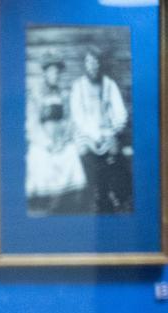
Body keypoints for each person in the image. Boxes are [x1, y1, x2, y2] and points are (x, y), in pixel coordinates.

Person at [69, 48, 131, 213]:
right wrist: (93, 135)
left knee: (114, 152)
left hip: (107, 133)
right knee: (83, 151)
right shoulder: (78, 86)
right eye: (89, 62)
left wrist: (112, 131)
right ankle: (93, 195)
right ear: (85, 64)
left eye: (96, 61)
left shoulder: (110, 85)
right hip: (86, 134)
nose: (93, 66)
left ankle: (113, 195)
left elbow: (121, 113)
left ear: (100, 64)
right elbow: (77, 116)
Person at [24, 56, 87, 215]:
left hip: (60, 140)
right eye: (51, 72)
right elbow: (32, 123)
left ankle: (66, 202)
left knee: (71, 153)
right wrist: (47, 143)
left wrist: (62, 140)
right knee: (39, 158)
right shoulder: (36, 95)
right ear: (45, 73)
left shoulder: (63, 95)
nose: (55, 75)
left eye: (57, 72)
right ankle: (45, 203)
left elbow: (68, 119)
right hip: (42, 140)